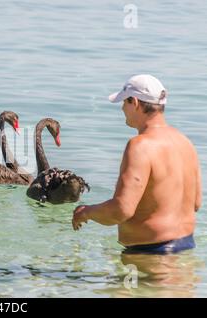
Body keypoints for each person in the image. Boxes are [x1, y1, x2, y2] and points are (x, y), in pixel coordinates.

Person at [72, 74, 202, 254]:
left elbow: (121, 210)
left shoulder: (140, 146)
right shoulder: (185, 143)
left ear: (135, 102)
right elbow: (195, 204)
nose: (122, 108)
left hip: (151, 256)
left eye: (124, 102)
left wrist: (86, 212)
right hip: (186, 249)